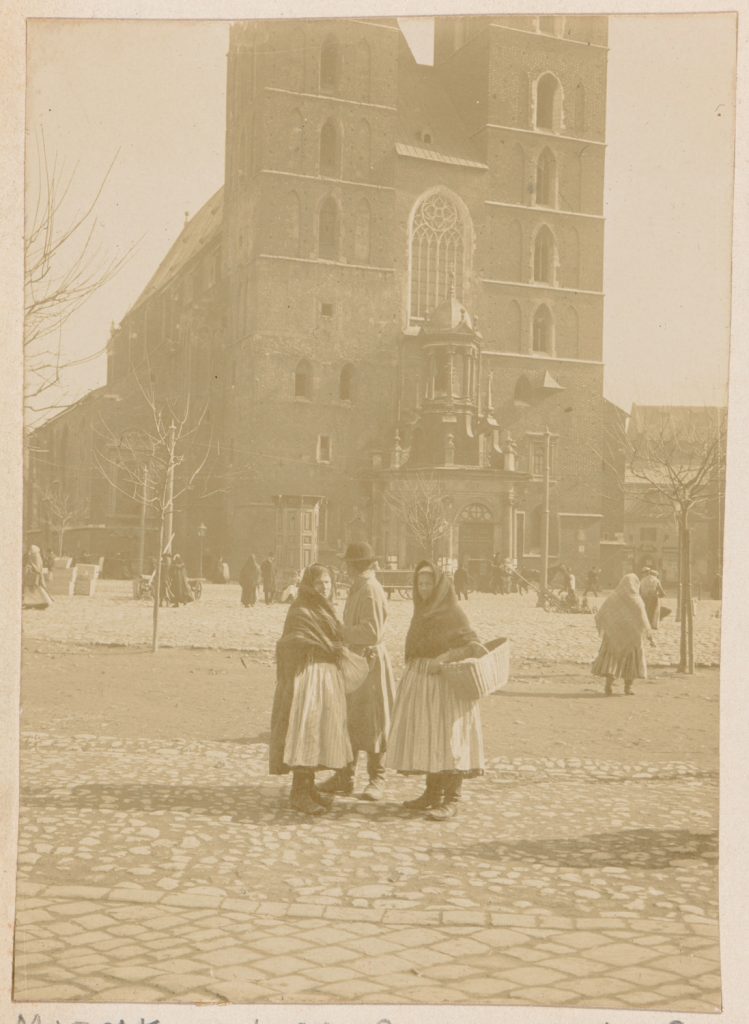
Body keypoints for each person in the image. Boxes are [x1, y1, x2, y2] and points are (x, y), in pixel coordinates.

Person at [387, 561, 487, 820]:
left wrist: (444, 657)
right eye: (419, 584)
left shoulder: (453, 612)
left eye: (428, 583)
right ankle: (432, 794)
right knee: (430, 737)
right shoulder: (421, 612)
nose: (423, 589)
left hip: (448, 686)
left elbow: (473, 646)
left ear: (439, 585)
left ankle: (452, 798)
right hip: (424, 684)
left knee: (448, 739)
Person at [269, 564, 352, 816]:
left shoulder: (327, 609)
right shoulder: (301, 610)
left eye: (327, 583)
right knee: (307, 729)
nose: (324, 588)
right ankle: (299, 792)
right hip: (308, 676)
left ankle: (309, 786)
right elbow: (290, 642)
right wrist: (322, 645)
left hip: (327, 677)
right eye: (319, 584)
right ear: (309, 586)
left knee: (320, 732)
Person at [319, 541, 395, 802]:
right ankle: (345, 777)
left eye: (348, 563)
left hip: (370, 663)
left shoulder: (370, 590)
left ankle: (377, 779)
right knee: (350, 720)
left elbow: (371, 632)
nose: (345, 567)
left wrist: (340, 632)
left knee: (373, 721)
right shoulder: (359, 587)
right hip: (355, 660)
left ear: (354, 565)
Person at [592, 573, 653, 696]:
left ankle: (608, 686)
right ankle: (628, 688)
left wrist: (608, 625)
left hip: (614, 635)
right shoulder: (636, 600)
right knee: (631, 661)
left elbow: (601, 614)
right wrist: (650, 636)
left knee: (612, 660)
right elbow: (643, 619)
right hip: (633, 636)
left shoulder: (613, 597)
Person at [23, 545, 52, 610]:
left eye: (30, 549)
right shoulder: (34, 555)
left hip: (35, 575)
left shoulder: (35, 556)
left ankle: (44, 602)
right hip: (31, 575)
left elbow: (37, 567)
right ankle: (30, 603)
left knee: (37, 589)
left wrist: (30, 566)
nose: (29, 550)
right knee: (30, 590)